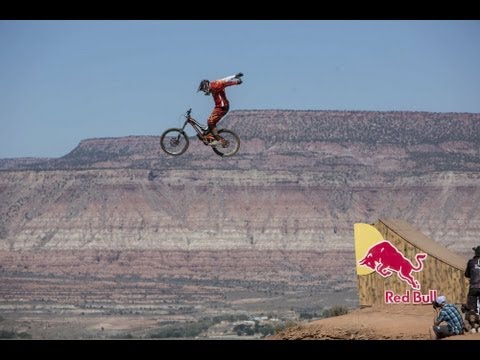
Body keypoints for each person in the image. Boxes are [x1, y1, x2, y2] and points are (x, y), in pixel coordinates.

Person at [197, 73, 243, 146]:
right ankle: (211, 135)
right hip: (219, 107)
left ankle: (219, 140)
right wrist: (234, 76)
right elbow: (224, 79)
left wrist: (236, 82)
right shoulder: (213, 85)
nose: (204, 92)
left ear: (206, 86)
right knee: (210, 123)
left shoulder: (216, 85)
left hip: (222, 107)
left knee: (210, 121)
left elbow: (225, 83)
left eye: (204, 90)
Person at [465, 245, 480, 314]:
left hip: (473, 287)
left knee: (472, 308)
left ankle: (472, 314)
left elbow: (467, 274)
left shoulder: (471, 262)